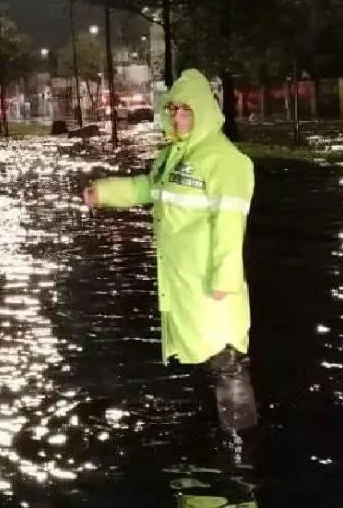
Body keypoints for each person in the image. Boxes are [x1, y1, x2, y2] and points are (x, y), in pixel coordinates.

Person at [83, 69, 258, 432]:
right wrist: (105, 192)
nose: (178, 117)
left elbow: (230, 225)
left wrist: (224, 279)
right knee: (201, 359)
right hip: (184, 282)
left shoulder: (224, 160)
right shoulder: (174, 156)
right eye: (174, 109)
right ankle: (214, 440)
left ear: (204, 111)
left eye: (186, 110)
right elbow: (150, 188)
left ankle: (241, 456)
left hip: (212, 287)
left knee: (226, 362)